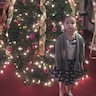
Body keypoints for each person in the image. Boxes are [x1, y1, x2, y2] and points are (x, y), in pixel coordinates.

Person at [52, 15, 85, 96]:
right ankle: (61, 91)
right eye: (67, 23)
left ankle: (69, 90)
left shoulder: (79, 39)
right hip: (63, 63)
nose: (70, 25)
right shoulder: (60, 38)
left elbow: (82, 52)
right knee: (62, 79)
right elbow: (57, 52)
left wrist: (81, 63)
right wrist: (58, 62)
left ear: (76, 25)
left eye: (72, 23)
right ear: (64, 25)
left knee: (71, 79)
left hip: (74, 62)